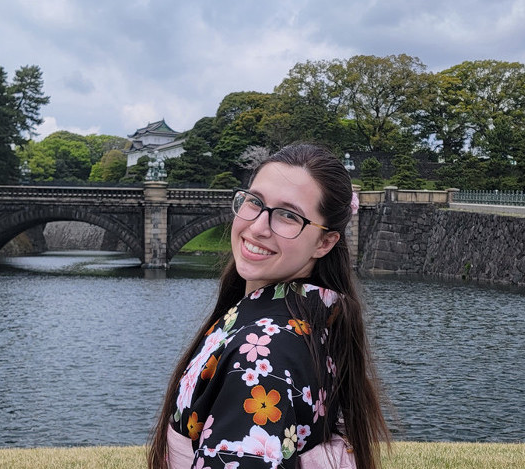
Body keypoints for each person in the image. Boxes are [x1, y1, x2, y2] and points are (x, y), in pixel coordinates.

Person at [148, 144, 390, 469]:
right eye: (255, 201)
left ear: (325, 242)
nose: (258, 227)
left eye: (289, 216)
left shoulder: (262, 357)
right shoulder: (314, 320)